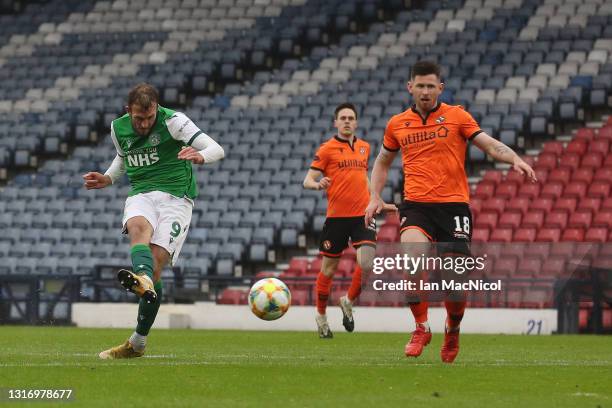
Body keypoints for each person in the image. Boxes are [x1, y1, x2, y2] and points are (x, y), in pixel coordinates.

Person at [365, 61, 536, 363]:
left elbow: (489, 145)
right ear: (410, 87)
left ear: (440, 88)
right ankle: (421, 327)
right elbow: (382, 162)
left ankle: (452, 328)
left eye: (431, 86)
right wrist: (374, 196)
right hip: (416, 205)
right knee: (412, 257)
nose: (426, 91)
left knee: (453, 283)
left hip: (454, 206)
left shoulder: (457, 117)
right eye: (420, 85)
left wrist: (514, 159)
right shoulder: (397, 124)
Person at [83, 83, 224, 359]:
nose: (145, 124)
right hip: (142, 192)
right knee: (137, 229)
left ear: (157, 109)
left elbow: (216, 148)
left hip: (176, 196)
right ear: (128, 111)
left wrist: (200, 155)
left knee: (156, 264)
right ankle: (143, 279)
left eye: (149, 118)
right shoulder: (117, 128)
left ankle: (137, 342)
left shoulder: (174, 121)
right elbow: (123, 157)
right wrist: (109, 178)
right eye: (139, 118)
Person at [304, 103, 396, 338]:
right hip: (336, 218)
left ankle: (348, 300)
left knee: (366, 262)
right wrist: (318, 184)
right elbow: (308, 179)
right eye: (342, 118)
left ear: (356, 122)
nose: (347, 121)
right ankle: (322, 317)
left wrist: (377, 199)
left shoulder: (365, 147)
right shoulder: (327, 149)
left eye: (351, 118)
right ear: (336, 122)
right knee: (329, 269)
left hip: (362, 215)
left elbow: (365, 177)